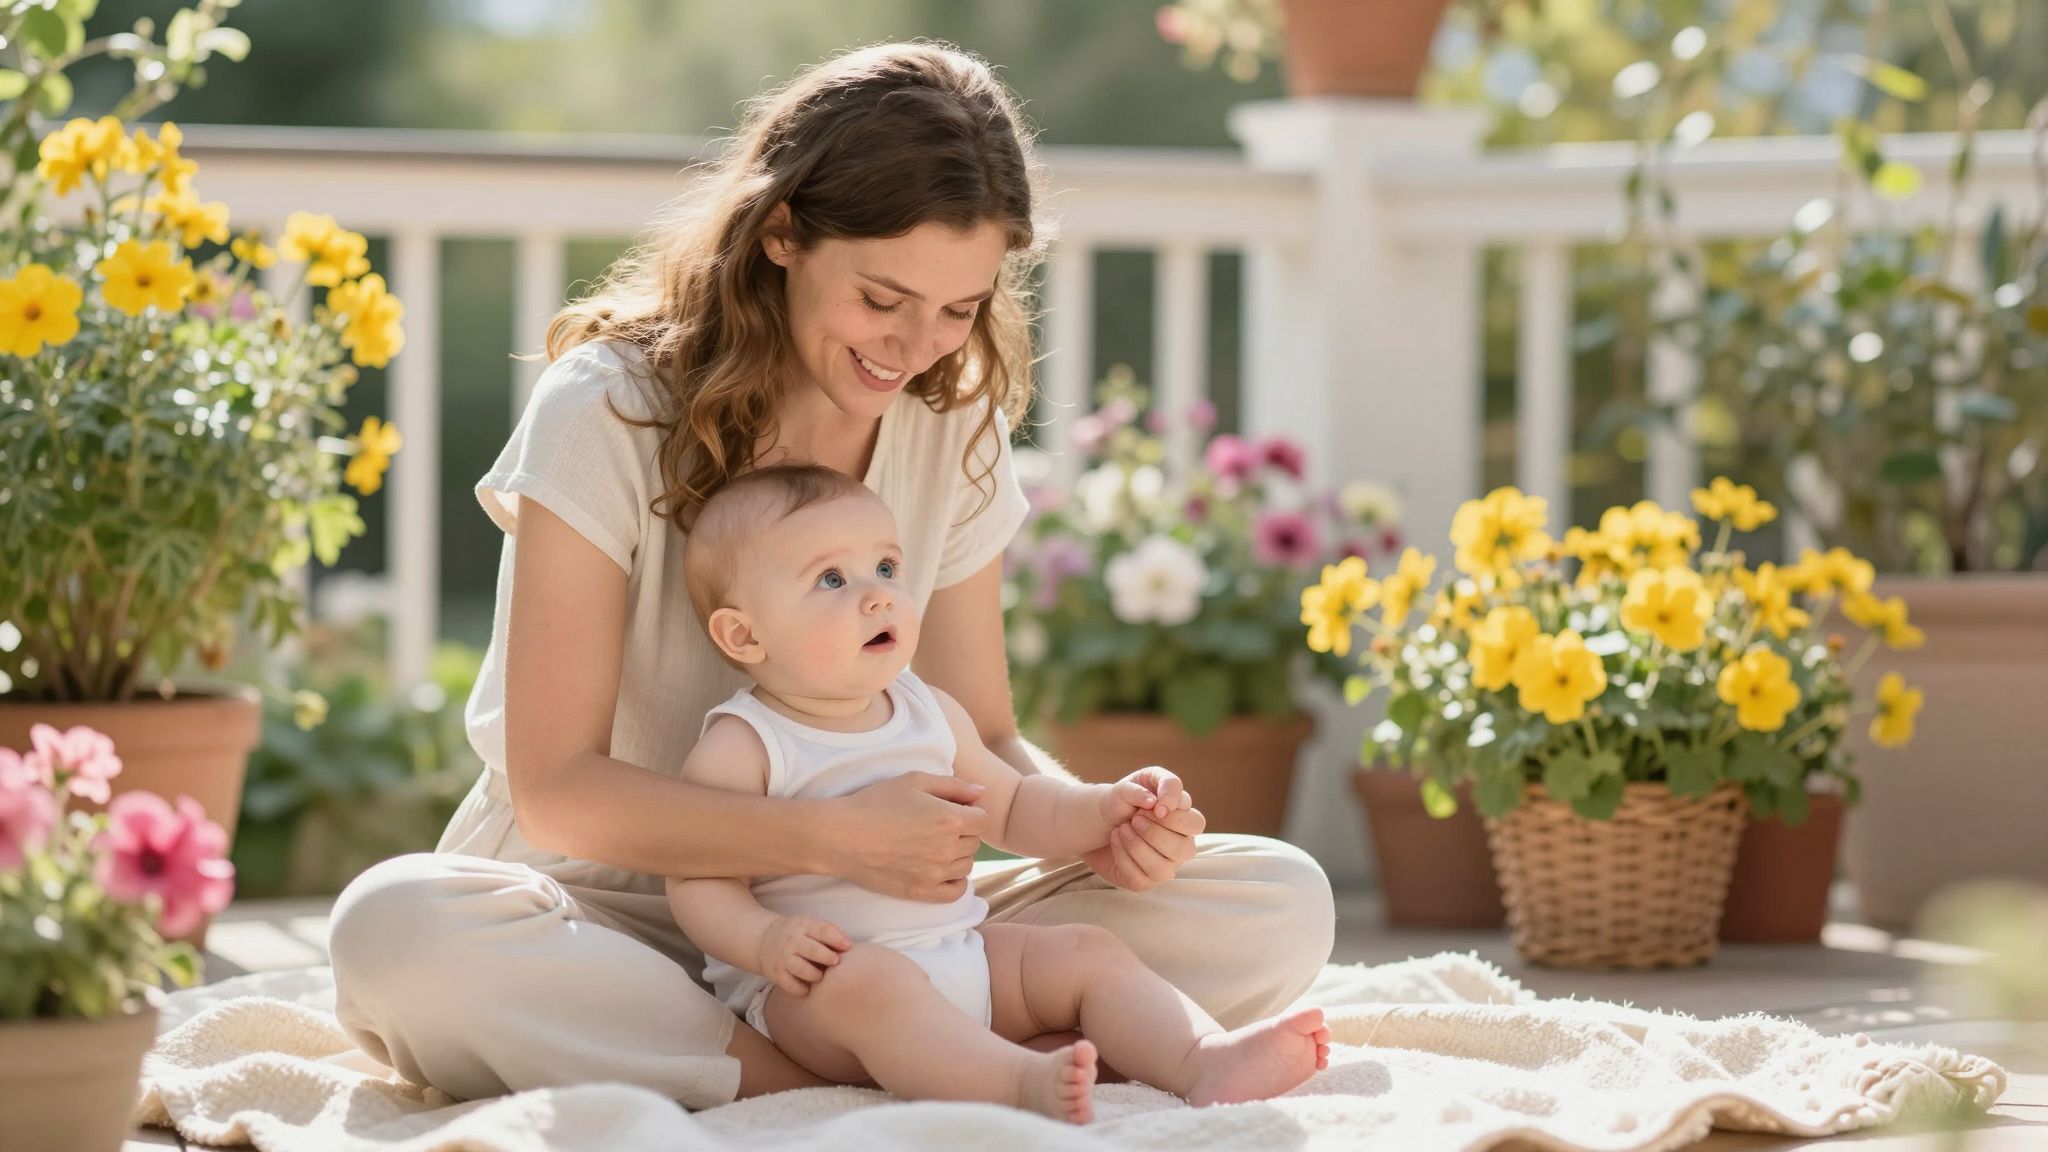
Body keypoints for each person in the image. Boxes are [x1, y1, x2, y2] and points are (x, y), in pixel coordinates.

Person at [326, 40, 1334, 1110]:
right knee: (398, 932)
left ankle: (836, 1044)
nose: (914, 347)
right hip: (603, 908)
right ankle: (815, 1064)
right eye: (882, 298)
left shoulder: (951, 425)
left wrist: (1096, 821)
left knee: (1274, 899)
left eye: (956, 311)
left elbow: (980, 738)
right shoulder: (605, 410)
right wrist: (832, 837)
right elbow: (560, 792)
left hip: (875, 923)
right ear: (780, 235)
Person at [670, 464, 1331, 1123]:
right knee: (874, 984)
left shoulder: (928, 710)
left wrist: (1104, 811)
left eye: (887, 569)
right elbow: (699, 879)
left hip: (963, 955)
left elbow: (1014, 808)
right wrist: (766, 942)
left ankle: (1204, 1058)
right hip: (818, 994)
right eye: (832, 579)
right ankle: (1015, 1084)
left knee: (1084, 952)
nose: (878, 597)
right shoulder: (747, 743)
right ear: (744, 635)